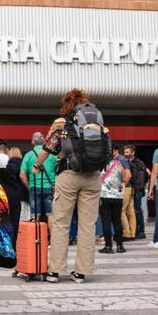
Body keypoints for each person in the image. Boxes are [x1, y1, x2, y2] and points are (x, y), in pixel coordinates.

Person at [33, 89, 103, 284]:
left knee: (61, 223)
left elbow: (48, 147)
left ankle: (54, 271)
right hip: (93, 176)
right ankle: (81, 272)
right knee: (87, 226)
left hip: (69, 174)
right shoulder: (96, 122)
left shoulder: (61, 122)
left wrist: (37, 166)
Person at [20, 132, 56, 220]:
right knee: (51, 215)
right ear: (44, 142)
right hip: (50, 187)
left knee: (35, 215)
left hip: (34, 187)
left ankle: (35, 233)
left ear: (33, 142)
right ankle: (52, 234)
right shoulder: (52, 155)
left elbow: (22, 174)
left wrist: (28, 186)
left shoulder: (28, 155)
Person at [98, 150, 127, 254]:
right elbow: (124, 177)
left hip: (104, 196)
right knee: (117, 221)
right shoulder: (118, 164)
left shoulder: (99, 165)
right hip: (117, 197)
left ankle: (108, 246)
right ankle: (120, 246)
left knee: (106, 222)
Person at [123, 144, 147, 239]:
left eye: (127, 152)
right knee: (131, 211)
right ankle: (134, 230)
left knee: (137, 210)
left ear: (133, 152)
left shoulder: (138, 163)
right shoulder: (126, 162)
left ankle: (141, 231)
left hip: (137, 190)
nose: (125, 154)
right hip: (132, 189)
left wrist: (136, 189)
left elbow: (141, 178)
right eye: (124, 152)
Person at [112, 146, 134, 241]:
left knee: (122, 210)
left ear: (116, 151)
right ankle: (132, 233)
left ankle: (126, 234)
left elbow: (128, 174)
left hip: (126, 188)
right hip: (130, 188)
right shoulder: (123, 159)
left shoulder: (119, 159)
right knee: (130, 211)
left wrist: (123, 185)